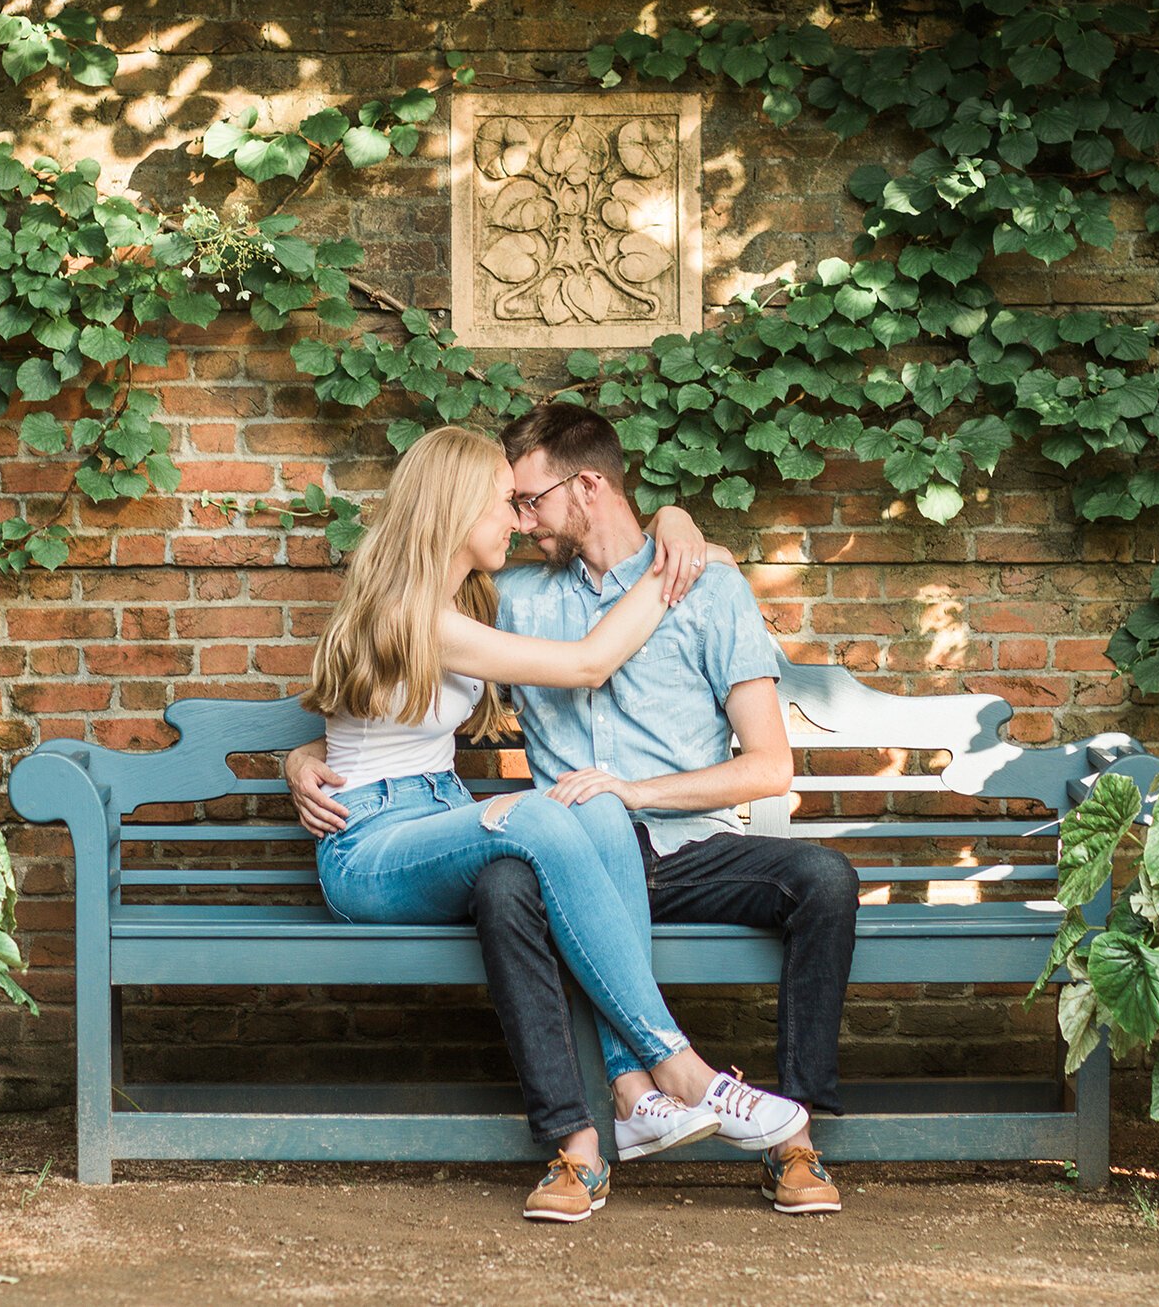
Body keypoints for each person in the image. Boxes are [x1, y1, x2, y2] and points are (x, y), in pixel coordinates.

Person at [292, 402, 861, 1218]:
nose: (519, 523)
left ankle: (721, 1120)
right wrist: (303, 760)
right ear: (456, 511)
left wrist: (679, 531)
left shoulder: (520, 594)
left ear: (587, 486)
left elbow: (768, 763)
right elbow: (579, 664)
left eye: (527, 501)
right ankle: (645, 1090)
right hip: (412, 836)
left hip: (582, 829)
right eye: (505, 503)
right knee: (541, 835)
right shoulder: (467, 603)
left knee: (626, 820)